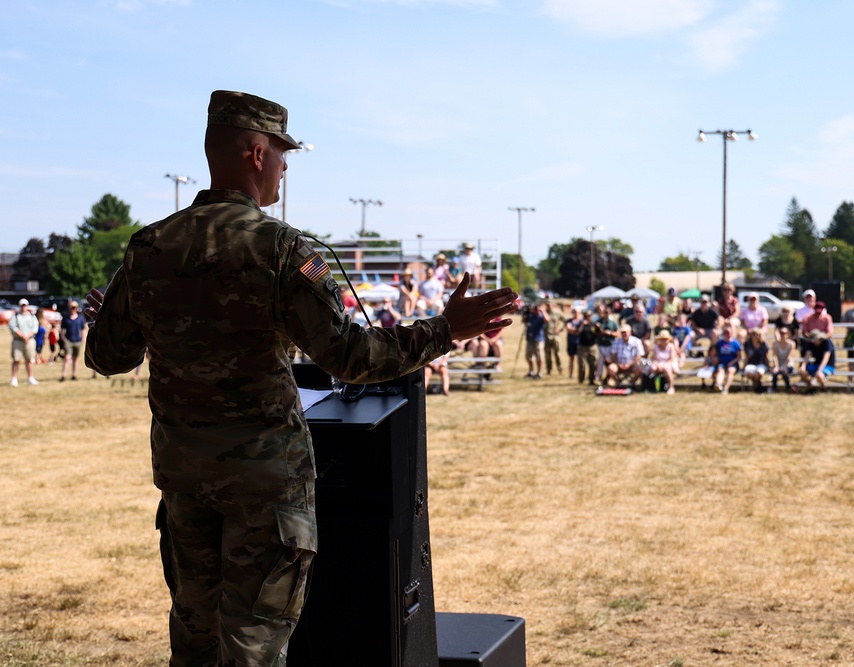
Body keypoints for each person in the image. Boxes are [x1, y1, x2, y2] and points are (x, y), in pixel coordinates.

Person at [84, 90, 517, 666]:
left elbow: (108, 356)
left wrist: (121, 314)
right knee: (254, 649)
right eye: (283, 155)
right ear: (256, 154)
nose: (286, 169)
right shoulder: (282, 250)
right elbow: (352, 357)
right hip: (265, 489)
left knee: (194, 643)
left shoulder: (149, 249)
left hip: (186, 480)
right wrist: (443, 330)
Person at [9, 298, 39, 386]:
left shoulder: (32, 317)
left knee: (29, 360)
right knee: (16, 360)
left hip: (29, 341)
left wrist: (28, 336)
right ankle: (14, 378)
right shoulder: (15, 316)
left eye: (25, 305)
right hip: (18, 340)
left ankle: (30, 377)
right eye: (22, 306)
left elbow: (35, 328)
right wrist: (22, 336)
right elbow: (13, 327)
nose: (23, 307)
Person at [604, 324, 644, 388]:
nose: (624, 334)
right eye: (622, 333)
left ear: (630, 332)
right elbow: (613, 355)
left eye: (625, 332)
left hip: (632, 365)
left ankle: (631, 383)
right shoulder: (616, 342)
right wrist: (618, 364)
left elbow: (639, 355)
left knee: (639, 368)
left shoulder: (637, 341)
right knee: (611, 368)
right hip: (619, 364)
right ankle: (618, 384)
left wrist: (630, 364)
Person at [709, 322, 741, 395]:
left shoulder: (735, 343)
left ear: (732, 333)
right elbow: (713, 352)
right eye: (726, 333)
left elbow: (739, 356)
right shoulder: (720, 343)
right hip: (722, 362)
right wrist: (714, 358)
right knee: (720, 370)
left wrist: (732, 362)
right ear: (723, 334)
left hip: (733, 363)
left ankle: (726, 388)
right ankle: (718, 384)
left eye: (729, 333)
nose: (728, 334)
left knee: (730, 371)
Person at [60, 300, 87, 381]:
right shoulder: (66, 318)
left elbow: (83, 329)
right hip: (69, 340)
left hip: (77, 340)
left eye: (74, 308)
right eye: (72, 308)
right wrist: (63, 338)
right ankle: (63, 375)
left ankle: (74, 374)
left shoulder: (80, 319)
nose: (73, 309)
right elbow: (62, 330)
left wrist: (83, 338)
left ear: (77, 309)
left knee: (75, 358)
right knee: (67, 357)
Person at [647, 330, 678, 394]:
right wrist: (658, 365)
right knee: (652, 368)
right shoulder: (656, 347)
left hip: (669, 363)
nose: (664, 341)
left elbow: (672, 359)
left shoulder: (671, 346)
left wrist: (663, 366)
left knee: (667, 369)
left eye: (665, 339)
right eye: (662, 339)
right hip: (658, 363)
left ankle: (671, 387)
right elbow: (654, 358)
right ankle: (654, 386)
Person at [575, 310, 599, 385]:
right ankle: (581, 380)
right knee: (582, 364)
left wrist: (599, 327)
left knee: (593, 364)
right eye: (586, 316)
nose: (588, 318)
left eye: (589, 316)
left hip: (592, 346)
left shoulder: (594, 324)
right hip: (582, 347)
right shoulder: (581, 324)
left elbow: (599, 333)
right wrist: (582, 325)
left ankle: (591, 380)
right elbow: (578, 332)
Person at [523, 302, 547, 379]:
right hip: (530, 339)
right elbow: (523, 321)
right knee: (528, 356)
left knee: (539, 356)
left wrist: (542, 311)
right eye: (534, 309)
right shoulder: (530, 316)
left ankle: (539, 372)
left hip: (539, 339)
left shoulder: (541, 317)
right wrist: (525, 312)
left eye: (537, 309)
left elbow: (547, 319)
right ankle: (531, 371)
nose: (535, 311)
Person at [742, 328, 769, 393]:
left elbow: (766, 356)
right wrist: (744, 366)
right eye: (753, 334)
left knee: (758, 373)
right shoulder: (747, 344)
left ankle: (756, 388)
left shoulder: (763, 344)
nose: (755, 336)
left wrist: (768, 366)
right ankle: (759, 387)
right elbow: (747, 356)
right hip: (751, 364)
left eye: (757, 334)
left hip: (761, 364)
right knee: (749, 373)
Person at [542, 301, 565, 376]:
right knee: (547, 355)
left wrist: (560, 328)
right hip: (546, 336)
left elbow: (564, 321)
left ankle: (560, 369)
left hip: (555, 336)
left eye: (550, 305)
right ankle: (549, 370)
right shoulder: (544, 313)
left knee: (557, 354)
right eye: (547, 305)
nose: (549, 306)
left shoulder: (557, 312)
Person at [770, 326, 795, 393]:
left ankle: (788, 388)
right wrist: (776, 366)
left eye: (784, 333)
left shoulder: (792, 344)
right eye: (781, 333)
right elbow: (774, 356)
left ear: (788, 334)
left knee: (784, 372)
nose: (782, 335)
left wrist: (784, 366)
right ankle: (774, 388)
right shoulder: (775, 344)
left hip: (788, 364)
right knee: (775, 373)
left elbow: (789, 356)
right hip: (778, 363)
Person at [564, 306, 582, 379]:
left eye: (576, 312)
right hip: (571, 342)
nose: (575, 313)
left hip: (579, 342)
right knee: (571, 358)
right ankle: (570, 374)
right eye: (574, 311)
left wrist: (574, 330)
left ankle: (580, 375)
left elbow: (579, 331)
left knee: (580, 360)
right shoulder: (569, 321)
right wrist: (576, 330)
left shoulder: (581, 321)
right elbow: (569, 329)